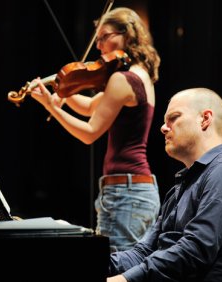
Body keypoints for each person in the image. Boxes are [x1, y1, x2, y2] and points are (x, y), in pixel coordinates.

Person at [30, 7, 161, 252]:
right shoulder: (137, 75)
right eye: (97, 38)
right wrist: (62, 92)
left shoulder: (123, 79)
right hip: (135, 190)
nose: (98, 46)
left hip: (126, 192)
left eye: (104, 37)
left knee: (115, 271)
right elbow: (91, 106)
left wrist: (51, 105)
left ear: (127, 35)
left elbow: (90, 132)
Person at [107, 88, 222, 281]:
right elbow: (142, 252)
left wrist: (125, 279)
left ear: (205, 119)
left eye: (174, 117)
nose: (163, 127)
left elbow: (195, 250)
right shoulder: (182, 185)